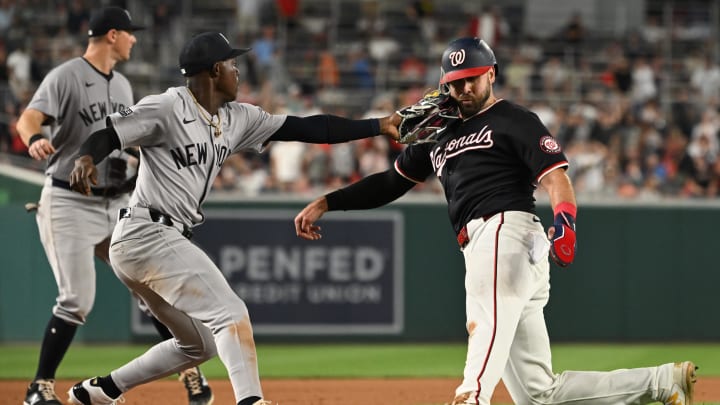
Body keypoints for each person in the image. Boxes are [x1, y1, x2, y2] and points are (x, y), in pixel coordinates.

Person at [293, 37, 698, 405]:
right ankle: (663, 382)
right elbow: (389, 183)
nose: (463, 89)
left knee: (484, 320)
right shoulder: (438, 130)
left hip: (507, 231)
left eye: (471, 78)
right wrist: (329, 201)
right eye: (454, 82)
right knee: (538, 395)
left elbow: (556, 176)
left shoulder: (514, 119)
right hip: (488, 248)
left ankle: (471, 395)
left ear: (491, 74)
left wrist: (567, 222)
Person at [66, 31, 400, 405]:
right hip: (146, 232)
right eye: (232, 64)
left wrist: (378, 125)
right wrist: (84, 158)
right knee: (231, 313)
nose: (238, 71)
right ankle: (250, 401)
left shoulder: (237, 118)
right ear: (213, 71)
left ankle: (99, 391)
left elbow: (308, 127)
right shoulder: (167, 106)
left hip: (152, 241)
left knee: (199, 345)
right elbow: (108, 134)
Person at [16, 7, 212, 405]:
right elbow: (28, 119)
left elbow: (126, 136)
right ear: (111, 35)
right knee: (76, 299)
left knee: (153, 291)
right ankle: (39, 388)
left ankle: (191, 374)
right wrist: (35, 137)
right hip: (68, 201)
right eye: (129, 33)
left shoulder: (122, 85)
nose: (134, 39)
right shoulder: (66, 75)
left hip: (117, 202)